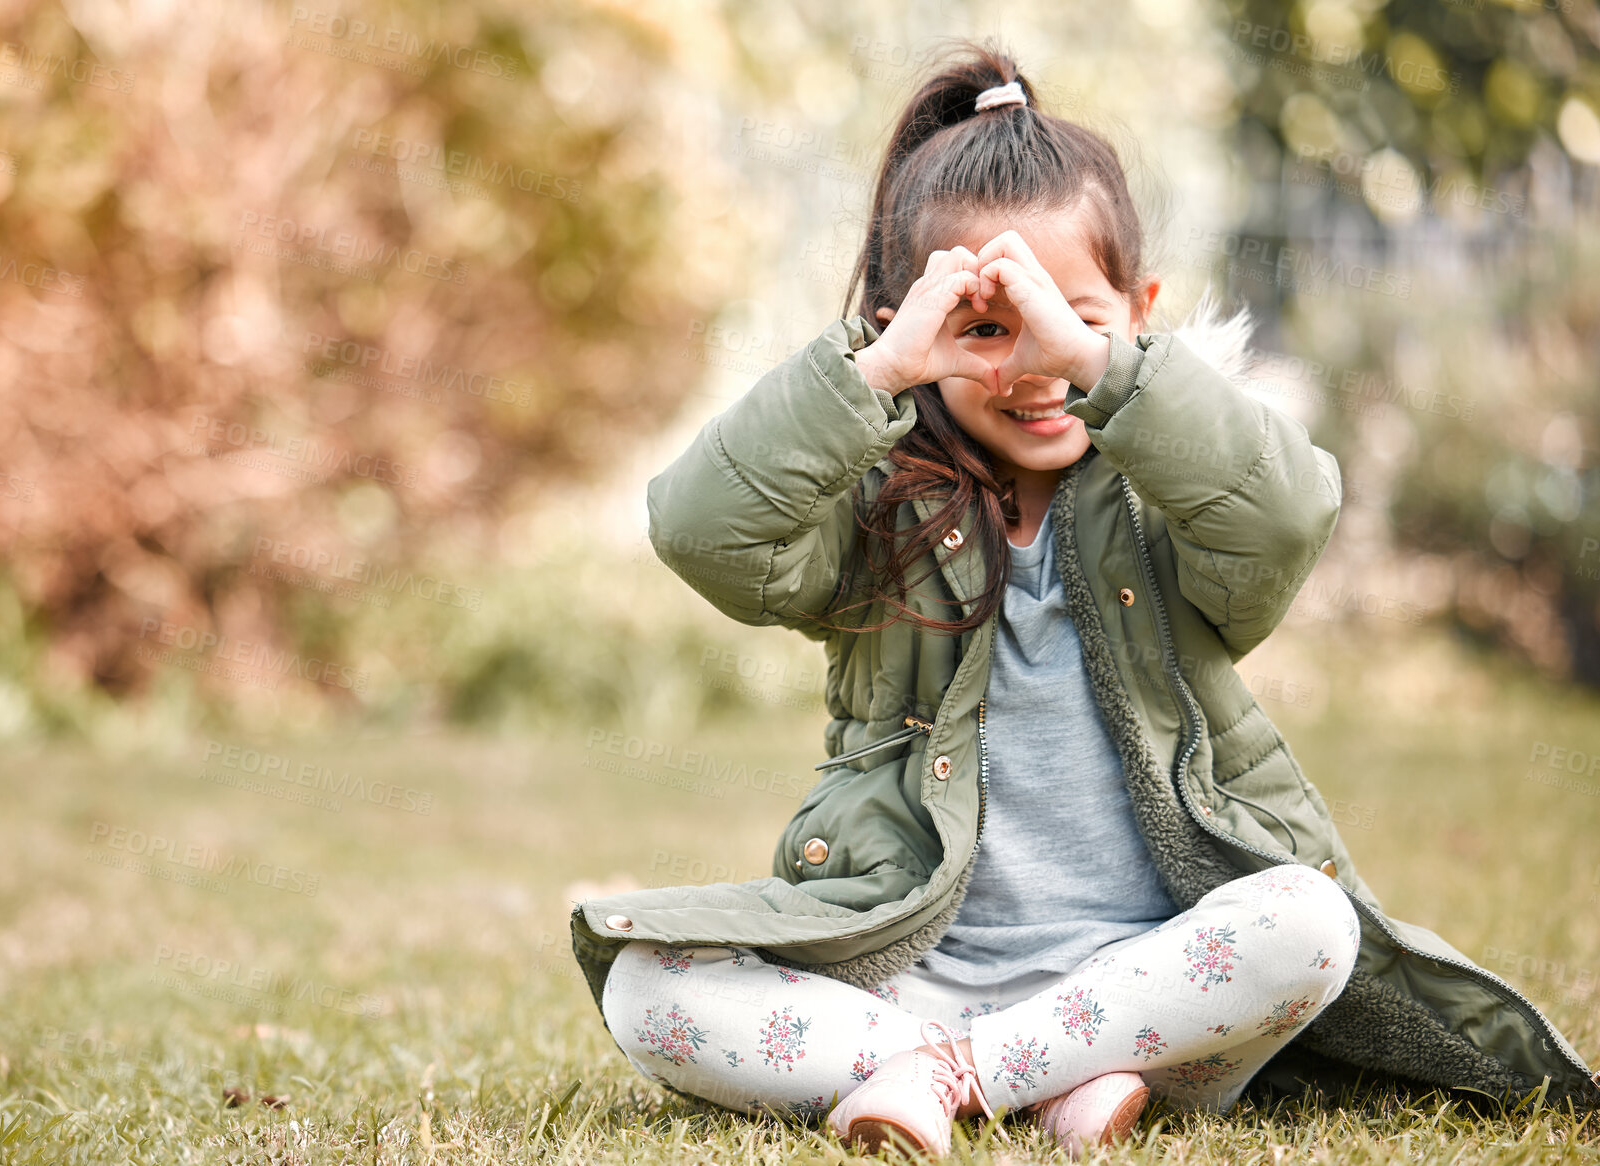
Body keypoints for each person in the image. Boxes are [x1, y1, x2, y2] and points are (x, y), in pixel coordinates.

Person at [570, 41, 1600, 1160]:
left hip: (1152, 976)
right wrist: (867, 376)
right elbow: (698, 526)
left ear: (1138, 312)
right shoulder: (872, 508)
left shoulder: (1171, 492)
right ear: (913, 332)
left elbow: (1289, 510)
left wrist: (1108, 371)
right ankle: (1033, 1075)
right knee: (647, 986)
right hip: (919, 975)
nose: (1033, 365)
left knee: (1305, 920)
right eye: (986, 330)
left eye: (1071, 322)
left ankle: (957, 1080)